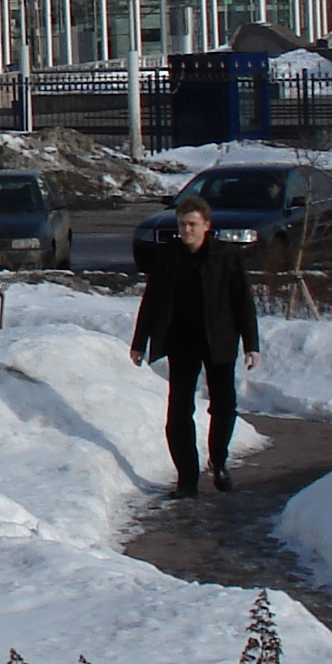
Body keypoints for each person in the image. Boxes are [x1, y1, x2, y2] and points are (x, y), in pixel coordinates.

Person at [130, 193, 262, 497]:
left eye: (192, 224)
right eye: (182, 224)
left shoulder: (225, 256)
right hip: (181, 341)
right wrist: (140, 342)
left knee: (224, 405)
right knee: (178, 411)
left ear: (206, 225)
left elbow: (243, 301)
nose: (186, 230)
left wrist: (251, 344)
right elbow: (151, 302)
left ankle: (218, 461)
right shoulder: (168, 256)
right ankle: (187, 479)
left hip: (219, 340)